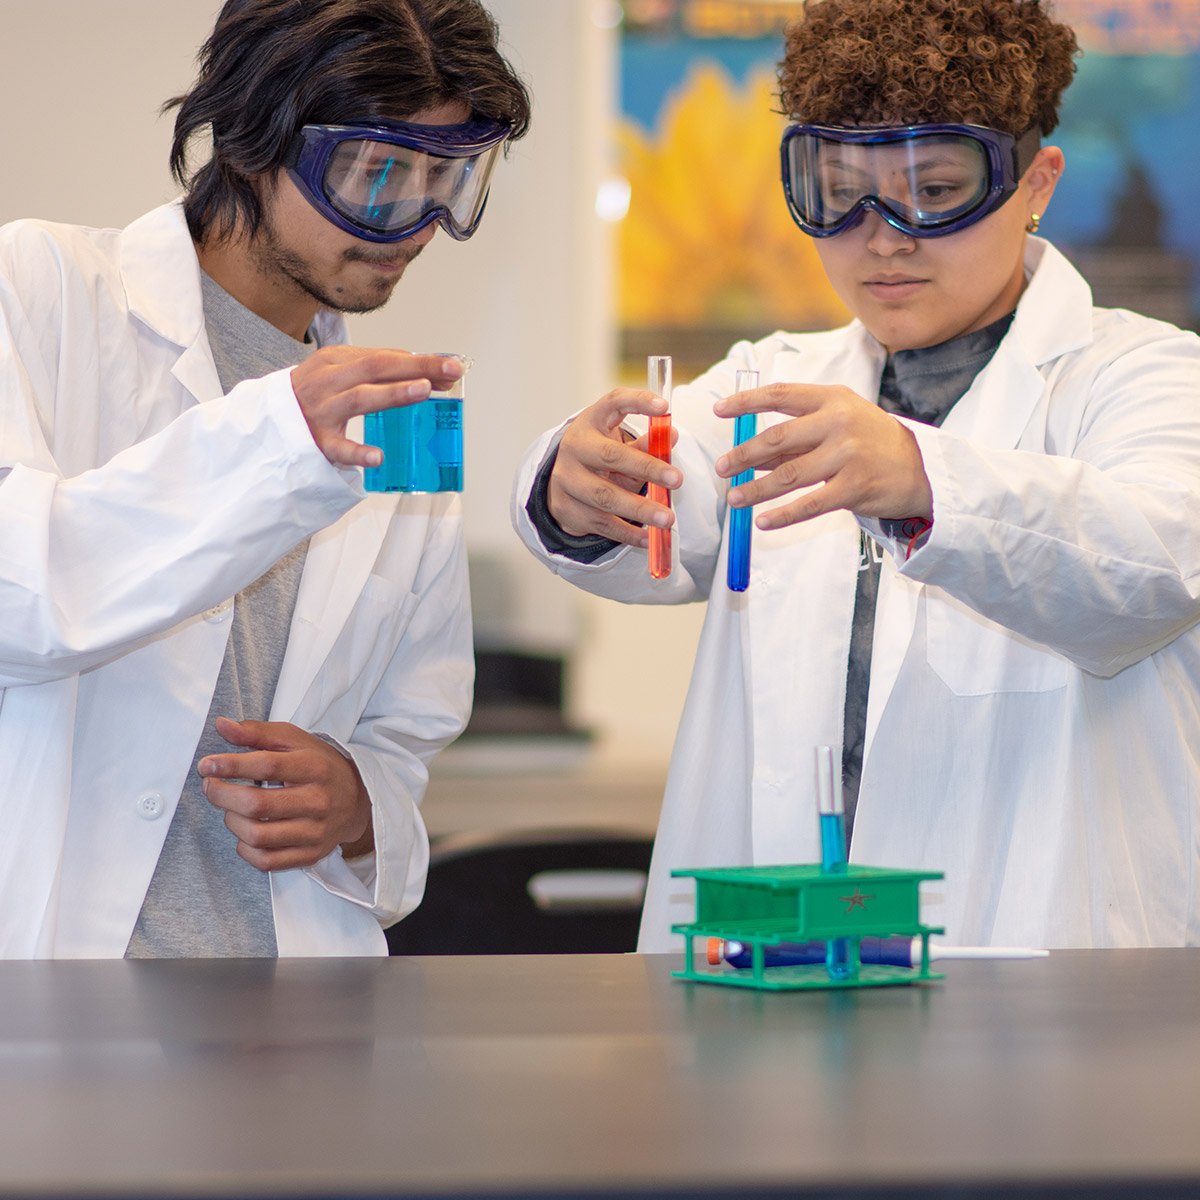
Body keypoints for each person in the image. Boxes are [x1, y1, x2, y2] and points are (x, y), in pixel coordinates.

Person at [512, 0, 1200, 952]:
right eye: (837, 192)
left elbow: (1156, 565)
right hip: (783, 953)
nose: (883, 238)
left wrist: (923, 479)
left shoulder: (1145, 375)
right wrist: (573, 487)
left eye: (937, 190)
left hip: (1036, 959)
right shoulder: (769, 379)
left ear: (1036, 182)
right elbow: (666, 508)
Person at [0, 0, 531, 958]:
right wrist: (278, 438)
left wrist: (357, 804)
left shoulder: (399, 409)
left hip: (294, 1005)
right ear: (253, 139)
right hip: (64, 982)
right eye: (376, 173)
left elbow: (407, 734)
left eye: (447, 177)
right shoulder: (39, 290)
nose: (414, 224)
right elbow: (22, 599)